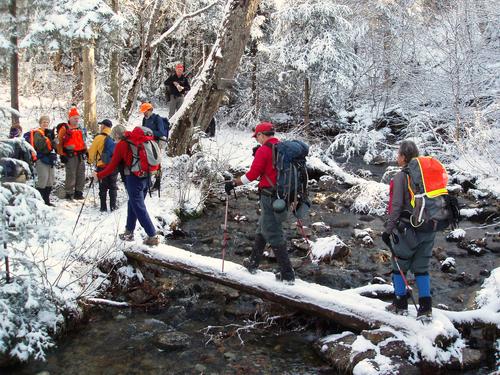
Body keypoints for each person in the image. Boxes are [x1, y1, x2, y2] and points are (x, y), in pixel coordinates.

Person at [224, 122, 295, 285]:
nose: (256, 140)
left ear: (262, 135)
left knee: (273, 231)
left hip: (269, 196)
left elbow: (251, 175)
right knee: (263, 226)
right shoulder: (282, 147)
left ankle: (288, 274)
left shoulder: (264, 150)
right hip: (281, 196)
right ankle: (253, 263)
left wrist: (234, 183)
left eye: (257, 137)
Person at [383, 140, 435, 321]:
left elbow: (396, 206)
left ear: (404, 157)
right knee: (422, 268)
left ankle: (400, 304)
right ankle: (426, 308)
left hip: (407, 230)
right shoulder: (427, 175)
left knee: (399, 266)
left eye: (398, 154)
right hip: (429, 228)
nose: (397, 157)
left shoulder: (401, 177)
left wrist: (388, 230)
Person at [94, 127, 159, 246]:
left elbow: (112, 166)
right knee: (133, 204)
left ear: (117, 136)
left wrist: (99, 175)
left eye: (114, 138)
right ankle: (129, 232)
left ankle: (152, 235)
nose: (114, 141)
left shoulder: (122, 145)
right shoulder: (137, 141)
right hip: (147, 177)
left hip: (134, 180)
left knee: (139, 207)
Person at [57, 106, 87, 200]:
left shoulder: (80, 128)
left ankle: (79, 192)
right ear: (70, 118)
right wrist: (61, 154)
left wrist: (86, 151)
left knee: (81, 174)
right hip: (70, 156)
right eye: (74, 118)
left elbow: (83, 141)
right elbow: (59, 142)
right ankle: (69, 193)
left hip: (80, 154)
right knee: (71, 174)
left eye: (77, 118)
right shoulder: (64, 128)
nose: (76, 120)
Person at [88, 119, 117, 212]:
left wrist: (90, 161)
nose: (100, 127)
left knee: (103, 187)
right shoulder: (114, 137)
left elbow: (92, 152)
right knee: (113, 186)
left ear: (104, 126)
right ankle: (113, 206)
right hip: (113, 166)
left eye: (101, 125)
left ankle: (103, 207)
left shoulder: (99, 137)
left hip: (102, 166)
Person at [30, 115, 57, 206]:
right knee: (43, 179)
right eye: (44, 122)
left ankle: (46, 200)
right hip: (41, 159)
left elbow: (55, 146)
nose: (45, 123)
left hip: (50, 160)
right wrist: (48, 139)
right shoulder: (38, 133)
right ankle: (39, 201)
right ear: (40, 123)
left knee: (50, 180)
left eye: (47, 122)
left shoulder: (48, 132)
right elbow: (40, 147)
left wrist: (53, 139)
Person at [139, 102, 167, 190]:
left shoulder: (157, 119)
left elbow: (161, 132)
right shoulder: (145, 119)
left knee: (157, 162)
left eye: (145, 111)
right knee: (147, 161)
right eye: (143, 112)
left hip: (157, 143)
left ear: (150, 110)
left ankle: (157, 183)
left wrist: (150, 132)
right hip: (148, 143)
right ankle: (148, 182)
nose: (144, 113)